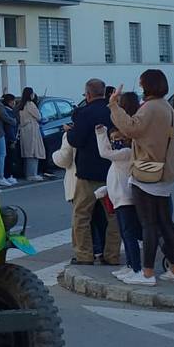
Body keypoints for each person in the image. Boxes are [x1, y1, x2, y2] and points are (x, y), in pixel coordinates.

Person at [109, 71, 174, 287]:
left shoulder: (150, 107)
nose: (140, 88)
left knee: (149, 223)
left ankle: (147, 273)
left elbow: (132, 128)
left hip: (147, 171)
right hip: (164, 170)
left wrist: (115, 106)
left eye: (142, 84)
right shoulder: (165, 106)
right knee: (164, 222)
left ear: (148, 86)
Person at [63, 79, 118, 267]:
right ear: (104, 93)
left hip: (88, 173)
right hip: (112, 170)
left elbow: (76, 140)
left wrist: (70, 132)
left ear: (87, 94)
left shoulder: (84, 113)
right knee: (113, 216)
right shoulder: (113, 111)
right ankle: (112, 255)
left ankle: (84, 255)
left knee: (82, 215)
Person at [95, 94, 142, 278]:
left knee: (129, 234)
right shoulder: (123, 154)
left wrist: (101, 134)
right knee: (125, 233)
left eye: (118, 138)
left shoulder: (126, 152)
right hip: (119, 197)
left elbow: (104, 152)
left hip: (126, 198)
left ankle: (136, 267)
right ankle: (131, 265)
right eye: (113, 138)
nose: (115, 141)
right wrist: (105, 190)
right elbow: (115, 177)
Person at [16, 89, 46, 181]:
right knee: (34, 151)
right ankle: (32, 174)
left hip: (24, 129)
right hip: (32, 129)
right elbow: (39, 116)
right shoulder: (30, 104)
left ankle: (28, 173)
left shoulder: (21, 105)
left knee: (27, 152)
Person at [0, 94, 19, 185]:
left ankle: (8, 175)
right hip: (8, 137)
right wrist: (13, 139)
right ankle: (5, 176)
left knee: (8, 157)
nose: (14, 103)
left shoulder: (10, 111)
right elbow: (9, 127)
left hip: (7, 137)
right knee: (7, 157)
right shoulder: (7, 112)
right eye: (12, 101)